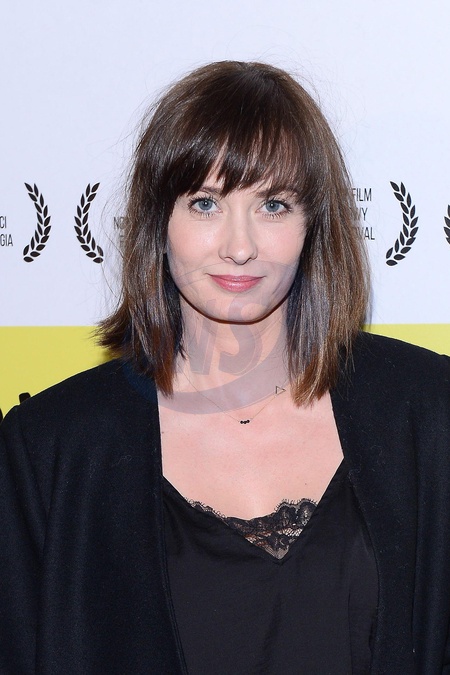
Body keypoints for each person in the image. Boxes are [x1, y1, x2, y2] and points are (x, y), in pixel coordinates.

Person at [0, 61, 449, 675]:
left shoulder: (429, 416)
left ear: (313, 224)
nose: (240, 247)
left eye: (274, 205)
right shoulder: (50, 449)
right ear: (158, 222)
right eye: (206, 203)